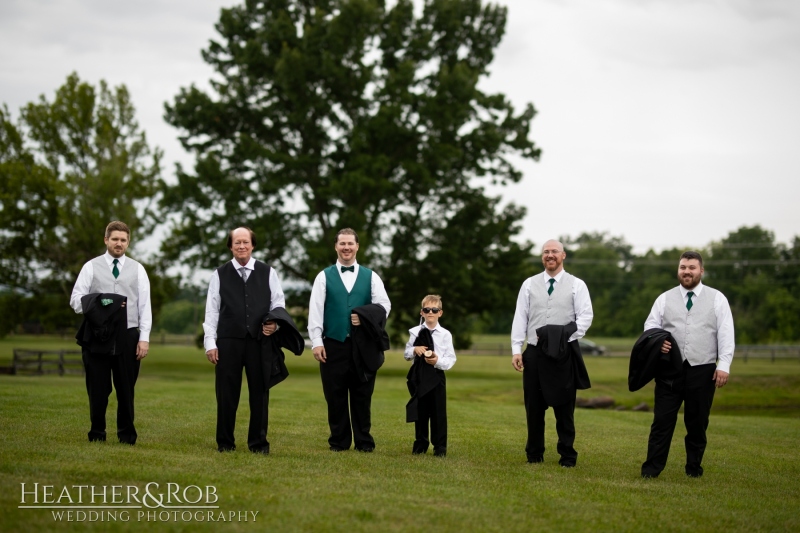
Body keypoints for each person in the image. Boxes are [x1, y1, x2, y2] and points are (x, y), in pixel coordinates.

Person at [640, 251, 735, 478]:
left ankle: (693, 469)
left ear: (701, 271)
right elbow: (650, 327)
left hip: (703, 370)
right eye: (683, 267)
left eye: (692, 267)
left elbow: (726, 333)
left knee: (697, 423)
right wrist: (658, 341)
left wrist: (724, 365)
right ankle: (651, 470)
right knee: (662, 422)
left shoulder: (717, 299)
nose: (687, 271)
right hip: (669, 371)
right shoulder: (664, 298)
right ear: (678, 270)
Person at [203, 227, 286, 454]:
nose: (241, 246)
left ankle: (258, 444)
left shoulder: (268, 272)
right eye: (237, 242)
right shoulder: (219, 274)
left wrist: (275, 323)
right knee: (226, 394)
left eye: (245, 242)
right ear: (230, 246)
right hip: (228, 341)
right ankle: (225, 443)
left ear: (253, 245)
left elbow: (278, 304)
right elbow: (211, 311)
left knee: (260, 394)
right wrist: (210, 342)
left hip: (259, 341)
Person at [511, 239, 593, 467]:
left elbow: (585, 318)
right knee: (534, 407)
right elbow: (520, 317)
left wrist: (561, 336)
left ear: (563, 255)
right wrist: (517, 349)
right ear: (542, 257)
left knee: (564, 408)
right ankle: (534, 454)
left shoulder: (577, 285)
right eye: (546, 252)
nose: (550, 255)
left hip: (563, 354)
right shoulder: (529, 284)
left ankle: (567, 455)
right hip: (534, 353)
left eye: (554, 251)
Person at [308, 228, 391, 452]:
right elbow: (315, 310)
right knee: (334, 396)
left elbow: (384, 306)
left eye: (350, 244)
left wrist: (364, 317)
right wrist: (316, 341)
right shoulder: (323, 276)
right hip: (332, 344)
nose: (346, 248)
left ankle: (364, 441)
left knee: (362, 395)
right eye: (342, 244)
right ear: (336, 247)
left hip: (362, 346)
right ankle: (339, 442)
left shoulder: (371, 276)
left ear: (357, 247)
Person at [70, 221, 152, 444]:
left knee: (126, 389)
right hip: (97, 335)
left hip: (128, 335)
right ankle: (97, 433)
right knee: (98, 388)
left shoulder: (138, 269)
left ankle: (126, 436)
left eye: (123, 240)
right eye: (115, 239)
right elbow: (76, 301)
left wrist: (143, 339)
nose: (119, 243)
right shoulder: (91, 267)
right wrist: (103, 302)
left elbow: (145, 306)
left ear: (128, 242)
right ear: (106, 240)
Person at [403, 294, 456, 457]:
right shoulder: (415, 332)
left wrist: (437, 361)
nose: (430, 312)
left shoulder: (445, 334)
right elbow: (406, 354)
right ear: (422, 313)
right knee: (420, 410)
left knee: (438, 411)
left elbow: (451, 359)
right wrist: (414, 349)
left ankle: (440, 447)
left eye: (434, 310)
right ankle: (421, 443)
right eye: (427, 310)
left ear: (440, 313)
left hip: (436, 376)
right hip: (419, 376)